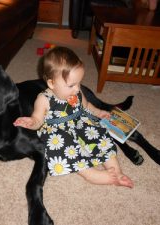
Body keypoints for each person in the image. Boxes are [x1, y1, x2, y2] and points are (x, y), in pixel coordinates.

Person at [13, 46, 133, 188]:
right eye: (71, 85)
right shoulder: (43, 99)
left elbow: (86, 105)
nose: (77, 89)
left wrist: (98, 112)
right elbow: (38, 120)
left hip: (80, 123)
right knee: (66, 149)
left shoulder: (77, 91)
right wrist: (30, 122)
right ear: (51, 83)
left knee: (100, 136)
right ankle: (92, 175)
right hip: (59, 131)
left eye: (79, 83)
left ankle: (117, 172)